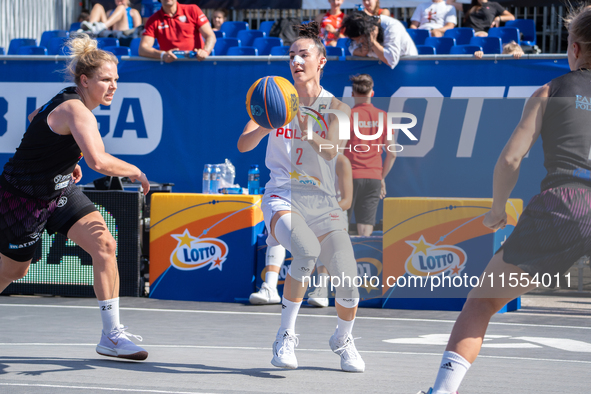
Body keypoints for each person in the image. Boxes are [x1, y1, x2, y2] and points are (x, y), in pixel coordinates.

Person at [418, 5, 591, 393]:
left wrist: (498, 210)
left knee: (481, 302)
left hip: (567, 204)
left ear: (575, 49)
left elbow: (511, 159)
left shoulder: (551, 91)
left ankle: (442, 390)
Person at [0, 33, 150, 361]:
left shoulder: (68, 102)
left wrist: (66, 160)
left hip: (60, 189)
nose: (113, 86)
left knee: (105, 246)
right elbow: (99, 161)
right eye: (106, 80)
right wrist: (135, 171)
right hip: (22, 199)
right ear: (84, 80)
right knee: (13, 272)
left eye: (116, 80)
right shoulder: (76, 110)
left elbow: (34, 118)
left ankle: (111, 336)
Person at [238, 22, 365, 373]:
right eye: (291, 55)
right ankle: (285, 335)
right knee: (306, 250)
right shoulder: (273, 96)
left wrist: (306, 128)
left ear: (321, 61)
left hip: (323, 201)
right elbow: (243, 144)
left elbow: (333, 151)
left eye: (303, 54)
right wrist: (269, 121)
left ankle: (343, 338)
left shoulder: (336, 106)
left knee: (349, 283)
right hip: (282, 195)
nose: (295, 60)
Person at [249, 153, 353, 307]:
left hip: (332, 212)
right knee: (278, 223)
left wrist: (322, 211)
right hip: (302, 209)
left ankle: (322, 289)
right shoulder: (302, 157)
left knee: (325, 229)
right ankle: (270, 286)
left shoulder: (342, 161)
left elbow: (347, 201)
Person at [344, 74, 396, 236]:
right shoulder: (383, 117)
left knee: (341, 223)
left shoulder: (347, 116)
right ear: (372, 93)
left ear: (352, 94)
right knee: (365, 228)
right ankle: (364, 260)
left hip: (349, 177)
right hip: (373, 176)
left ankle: (342, 259)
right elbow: (392, 153)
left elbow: (337, 150)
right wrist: (381, 177)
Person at [139, 0, 216, 63]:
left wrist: (205, 51)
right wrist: (163, 55)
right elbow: (143, 49)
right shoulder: (153, 20)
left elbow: (210, 36)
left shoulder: (193, 10)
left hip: (195, 64)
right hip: (171, 68)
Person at [342, 11, 417, 69]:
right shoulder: (360, 28)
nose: (358, 42)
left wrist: (372, 42)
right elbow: (353, 49)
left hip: (408, 67)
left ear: (366, 32)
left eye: (359, 39)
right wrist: (363, 50)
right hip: (382, 73)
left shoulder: (392, 27)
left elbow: (391, 60)